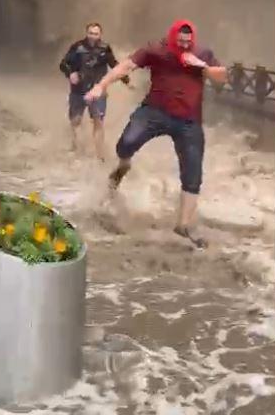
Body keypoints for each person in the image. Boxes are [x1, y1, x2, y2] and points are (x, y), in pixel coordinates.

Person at [85, 20, 227, 247]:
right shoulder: (156, 50)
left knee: (193, 173)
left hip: (189, 120)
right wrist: (101, 85)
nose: (184, 44)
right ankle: (123, 166)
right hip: (155, 112)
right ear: (172, 38)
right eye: (180, 41)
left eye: (188, 41)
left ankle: (183, 226)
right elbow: (126, 66)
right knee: (125, 144)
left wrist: (201, 65)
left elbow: (222, 77)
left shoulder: (202, 53)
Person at [59, 22, 128, 160]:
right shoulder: (77, 47)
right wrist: (70, 73)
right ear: (86, 33)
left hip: (98, 90)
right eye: (90, 33)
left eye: (95, 34)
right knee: (75, 120)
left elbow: (114, 65)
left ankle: (99, 154)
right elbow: (63, 64)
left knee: (98, 121)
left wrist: (126, 79)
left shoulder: (105, 48)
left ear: (100, 35)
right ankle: (76, 148)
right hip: (79, 90)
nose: (92, 36)